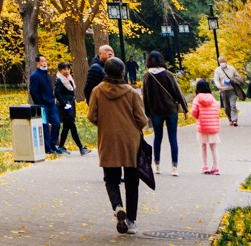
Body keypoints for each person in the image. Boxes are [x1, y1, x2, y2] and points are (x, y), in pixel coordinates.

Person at [88, 56, 148, 235]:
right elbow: (142, 119)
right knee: (132, 181)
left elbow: (92, 116)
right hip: (130, 141)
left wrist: (105, 124)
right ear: (122, 72)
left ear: (105, 72)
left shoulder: (98, 91)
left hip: (108, 140)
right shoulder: (131, 92)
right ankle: (131, 221)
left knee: (111, 179)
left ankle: (117, 206)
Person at [142, 50, 187, 175]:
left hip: (156, 111)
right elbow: (177, 92)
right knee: (173, 137)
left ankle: (157, 164)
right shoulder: (168, 74)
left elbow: (145, 96)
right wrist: (185, 108)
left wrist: (146, 113)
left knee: (158, 137)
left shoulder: (147, 77)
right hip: (171, 110)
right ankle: (174, 166)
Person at [189, 78, 223, 174]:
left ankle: (205, 166)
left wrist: (198, 116)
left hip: (202, 127)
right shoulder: (212, 98)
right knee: (214, 148)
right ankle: (216, 167)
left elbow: (194, 113)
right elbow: (217, 111)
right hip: (213, 127)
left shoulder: (197, 99)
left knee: (203, 147)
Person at [28, 56, 60, 155]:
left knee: (57, 123)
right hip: (43, 105)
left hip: (51, 103)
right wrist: (39, 104)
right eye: (42, 61)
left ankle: (53, 144)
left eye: (45, 61)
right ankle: (48, 147)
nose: (44, 63)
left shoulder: (47, 75)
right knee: (45, 126)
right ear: (37, 63)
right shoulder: (35, 76)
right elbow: (33, 91)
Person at [53, 61, 86, 154]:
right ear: (60, 70)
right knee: (72, 126)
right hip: (65, 106)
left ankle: (61, 146)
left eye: (68, 69)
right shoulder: (59, 80)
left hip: (70, 104)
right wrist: (64, 104)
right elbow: (57, 93)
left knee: (67, 127)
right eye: (64, 69)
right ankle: (81, 147)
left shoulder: (69, 78)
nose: (67, 71)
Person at [212, 55, 242, 127]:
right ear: (219, 62)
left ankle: (234, 120)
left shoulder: (232, 68)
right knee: (226, 108)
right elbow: (216, 79)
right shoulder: (217, 70)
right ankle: (230, 119)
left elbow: (238, 77)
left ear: (226, 61)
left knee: (233, 105)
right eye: (220, 62)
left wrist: (233, 80)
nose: (222, 63)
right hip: (223, 90)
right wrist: (219, 86)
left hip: (232, 90)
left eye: (223, 61)